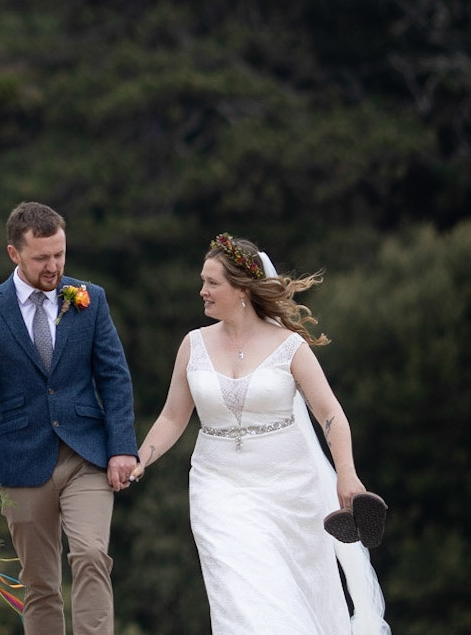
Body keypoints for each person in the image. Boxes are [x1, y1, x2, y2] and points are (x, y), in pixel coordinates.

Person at [127, 234, 390, 635]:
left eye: (212, 283)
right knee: (241, 595)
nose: (202, 290)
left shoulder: (289, 347)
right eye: (203, 281)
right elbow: (172, 417)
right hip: (217, 488)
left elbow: (330, 413)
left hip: (289, 492)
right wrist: (140, 458)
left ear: (242, 289)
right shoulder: (192, 345)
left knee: (289, 596)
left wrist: (346, 473)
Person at [0, 202, 138, 635]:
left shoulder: (91, 299)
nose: (54, 267)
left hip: (86, 453)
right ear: (14, 253)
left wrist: (123, 447)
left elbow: (114, 377)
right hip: (21, 460)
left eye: (60, 255)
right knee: (39, 584)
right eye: (42, 257)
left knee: (90, 554)